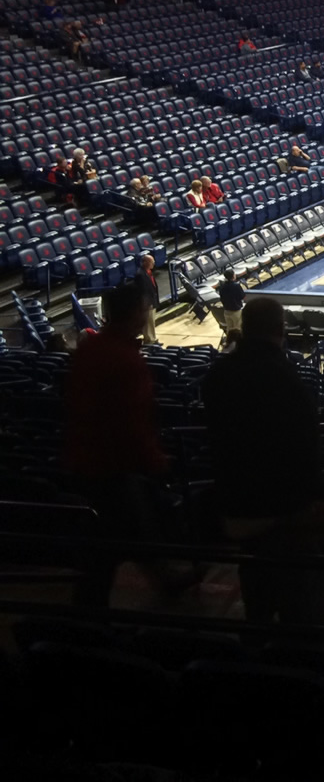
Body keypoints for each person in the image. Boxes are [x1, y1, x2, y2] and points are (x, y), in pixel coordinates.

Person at [202, 297, 324, 625]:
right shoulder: (287, 380)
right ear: (281, 329)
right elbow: (305, 446)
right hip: (282, 506)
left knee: (255, 586)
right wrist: (315, 497)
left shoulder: (218, 374)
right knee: (298, 594)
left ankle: (256, 652)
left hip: (236, 499)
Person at [64, 283, 171, 607]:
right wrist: (154, 461)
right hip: (110, 464)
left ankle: (164, 580)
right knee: (118, 538)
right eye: (145, 307)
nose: (148, 311)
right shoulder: (125, 359)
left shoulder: (91, 349)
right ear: (136, 312)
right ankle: (88, 621)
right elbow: (132, 422)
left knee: (118, 539)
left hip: (85, 458)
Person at [135, 253, 161, 345]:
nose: (153, 264)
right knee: (147, 323)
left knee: (151, 321)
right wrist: (147, 303)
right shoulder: (140, 274)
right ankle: (149, 340)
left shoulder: (148, 272)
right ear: (145, 262)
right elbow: (143, 291)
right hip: (147, 303)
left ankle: (153, 338)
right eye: (151, 262)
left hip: (152, 300)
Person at [217, 267, 246, 337]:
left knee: (229, 330)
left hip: (226, 311)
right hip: (236, 311)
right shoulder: (236, 286)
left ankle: (230, 343)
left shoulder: (222, 287)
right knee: (238, 329)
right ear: (233, 276)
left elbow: (221, 298)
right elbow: (243, 296)